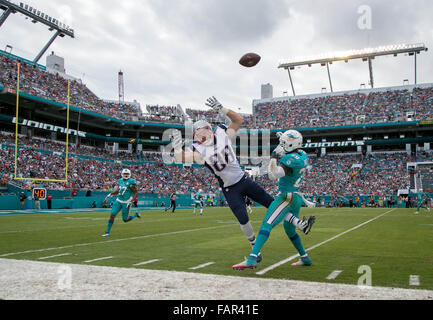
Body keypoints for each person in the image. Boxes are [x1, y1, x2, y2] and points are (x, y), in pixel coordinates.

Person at [172, 97, 311, 263]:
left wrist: (222, 108)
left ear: (210, 129)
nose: (204, 136)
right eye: (200, 134)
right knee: (243, 218)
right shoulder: (199, 150)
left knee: (270, 202)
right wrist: (175, 147)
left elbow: (238, 120)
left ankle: (298, 223)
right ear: (196, 136)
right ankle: (254, 247)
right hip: (230, 188)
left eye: (205, 131)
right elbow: (180, 156)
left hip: (243, 179)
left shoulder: (222, 134)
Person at [233, 130, 316, 270]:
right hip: (295, 197)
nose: (282, 145)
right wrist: (284, 140)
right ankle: (305, 257)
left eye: (284, 143)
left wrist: (273, 157)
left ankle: (252, 258)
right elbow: (292, 151)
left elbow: (273, 175)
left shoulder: (289, 161)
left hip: (286, 197)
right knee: (290, 230)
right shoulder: (302, 154)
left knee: (266, 224)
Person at [102, 168, 140, 237]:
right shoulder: (119, 181)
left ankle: (135, 214)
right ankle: (107, 232)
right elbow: (118, 191)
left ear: (129, 174)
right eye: (125, 174)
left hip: (126, 202)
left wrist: (131, 201)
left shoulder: (131, 182)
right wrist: (110, 194)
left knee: (125, 220)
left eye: (127, 174)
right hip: (118, 200)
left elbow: (136, 193)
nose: (126, 175)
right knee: (112, 215)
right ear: (122, 174)